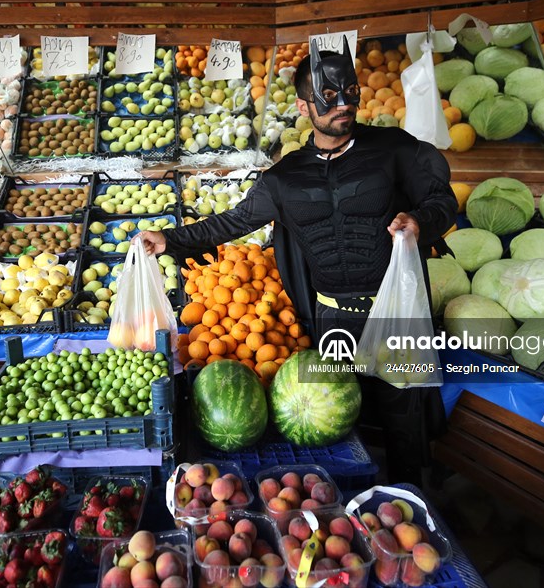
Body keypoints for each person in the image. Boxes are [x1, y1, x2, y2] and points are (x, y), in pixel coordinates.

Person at [136, 37, 458, 482]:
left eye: (349, 92)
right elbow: (231, 223)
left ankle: (410, 506)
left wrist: (420, 221)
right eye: (328, 97)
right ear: (304, 106)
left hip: (396, 316)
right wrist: (168, 240)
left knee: (404, 426)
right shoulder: (283, 178)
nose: (343, 104)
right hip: (332, 320)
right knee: (335, 420)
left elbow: (443, 201)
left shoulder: (395, 150)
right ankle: (347, 512)